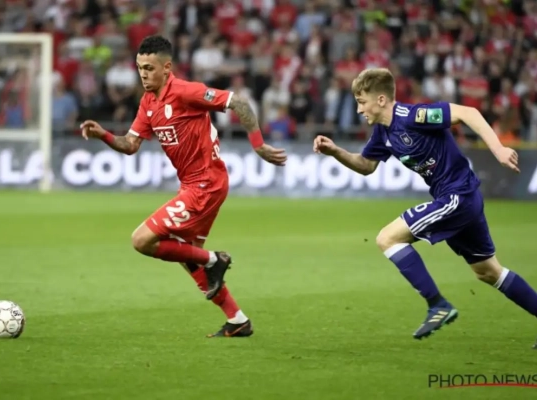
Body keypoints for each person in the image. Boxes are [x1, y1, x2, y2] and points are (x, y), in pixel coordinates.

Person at [80, 35, 287, 338]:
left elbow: (238, 102)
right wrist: (104, 135)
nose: (143, 74)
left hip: (206, 184)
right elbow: (131, 144)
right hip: (192, 185)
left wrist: (258, 145)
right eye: (140, 68)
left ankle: (216, 259)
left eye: (149, 68)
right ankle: (237, 320)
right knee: (187, 256)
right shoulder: (148, 102)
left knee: (141, 240)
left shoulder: (185, 92)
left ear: (167, 68)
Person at [313, 68, 537, 344]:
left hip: (458, 196)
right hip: (460, 199)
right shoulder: (382, 133)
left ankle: (437, 305)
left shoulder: (414, 116)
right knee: (488, 272)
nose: (359, 110)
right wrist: (336, 151)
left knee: (387, 238)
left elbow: (468, 113)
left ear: (381, 100)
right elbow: (366, 165)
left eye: (362, 102)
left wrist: (499, 149)